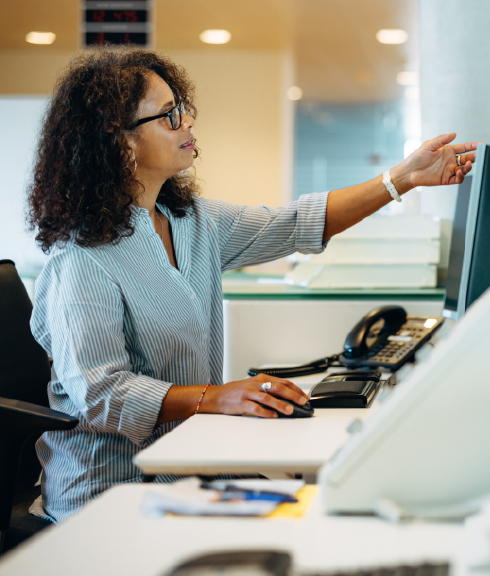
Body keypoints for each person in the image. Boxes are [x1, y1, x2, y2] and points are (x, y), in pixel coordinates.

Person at [27, 47, 476, 522]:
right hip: (109, 491)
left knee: (328, 506)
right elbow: (102, 395)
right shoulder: (81, 257)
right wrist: (217, 396)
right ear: (120, 142)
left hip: (191, 466)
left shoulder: (191, 221)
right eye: (169, 116)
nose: (187, 124)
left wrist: (403, 178)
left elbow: (298, 221)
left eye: (183, 109)